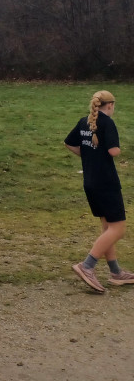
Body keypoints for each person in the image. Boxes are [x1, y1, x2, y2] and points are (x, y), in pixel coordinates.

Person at [65, 90, 134, 292]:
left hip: (90, 183)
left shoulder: (83, 122)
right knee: (118, 229)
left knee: (108, 228)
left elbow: (69, 143)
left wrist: (87, 154)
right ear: (110, 105)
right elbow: (114, 151)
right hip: (106, 183)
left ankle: (116, 273)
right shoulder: (107, 123)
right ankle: (87, 266)